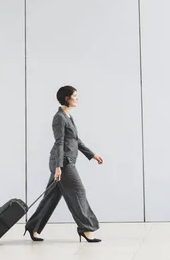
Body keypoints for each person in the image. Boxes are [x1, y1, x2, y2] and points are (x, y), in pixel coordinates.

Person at [24, 85, 104, 243]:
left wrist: (92, 155)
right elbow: (59, 142)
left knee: (51, 197)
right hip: (63, 163)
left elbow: (75, 140)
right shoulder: (59, 118)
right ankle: (86, 229)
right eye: (75, 96)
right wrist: (58, 167)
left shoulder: (68, 116)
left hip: (66, 161)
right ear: (67, 98)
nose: (77, 98)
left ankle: (33, 227)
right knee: (78, 192)